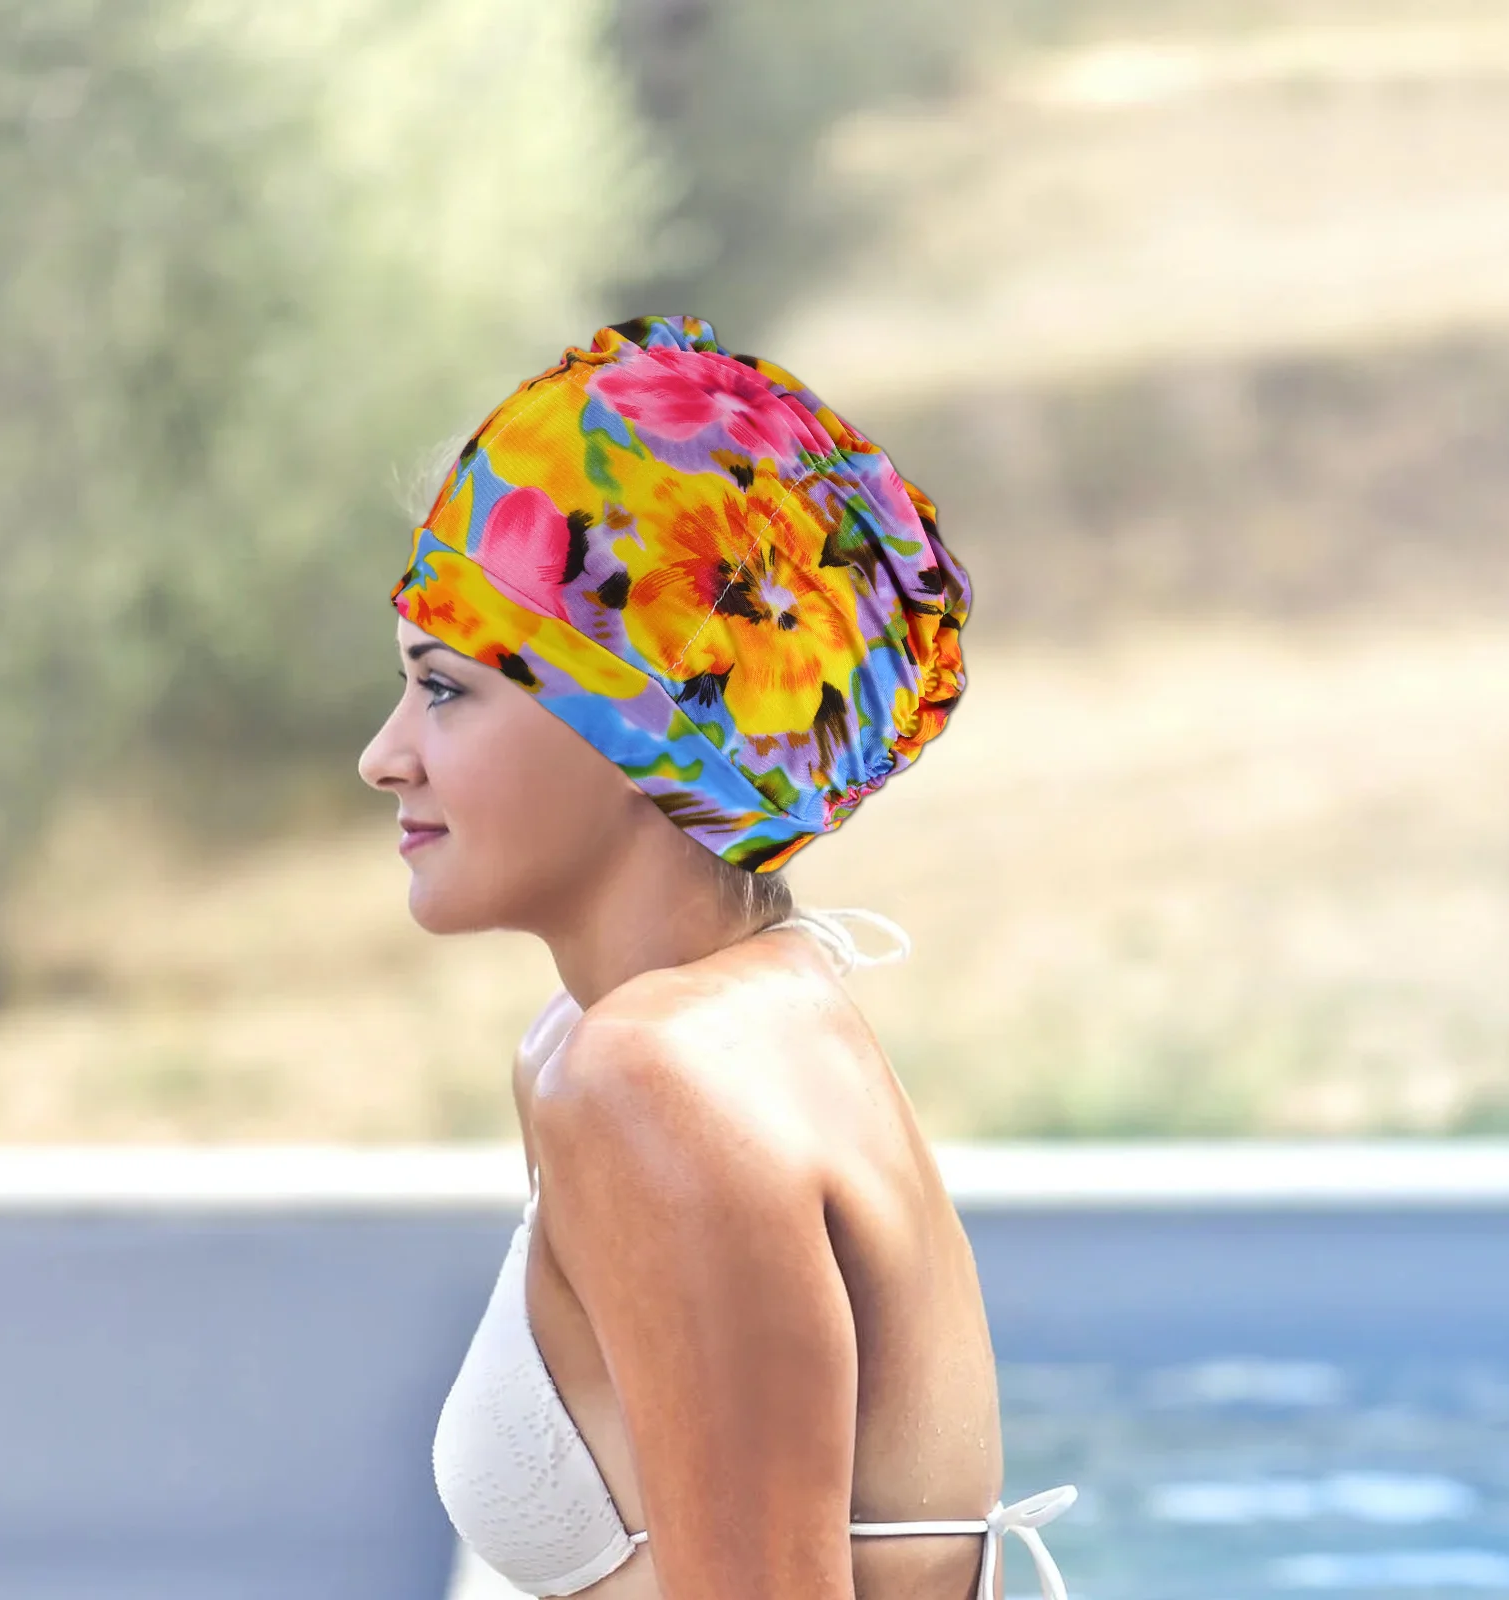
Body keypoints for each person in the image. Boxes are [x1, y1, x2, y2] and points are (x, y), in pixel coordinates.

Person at [358, 315, 1076, 1600]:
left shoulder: (655, 1078)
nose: (384, 754)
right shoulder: (727, 1012)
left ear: (636, 719)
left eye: (445, 687)